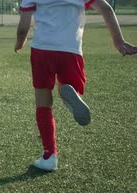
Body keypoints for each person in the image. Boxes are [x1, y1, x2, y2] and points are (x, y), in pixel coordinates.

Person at [14, 0, 137, 171]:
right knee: (69, 87)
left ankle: (50, 155)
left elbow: (23, 26)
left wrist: (19, 43)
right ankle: (70, 91)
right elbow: (106, 9)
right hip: (71, 50)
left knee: (43, 103)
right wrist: (119, 42)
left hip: (42, 49)